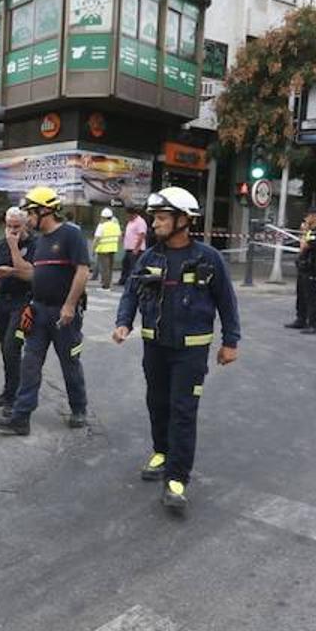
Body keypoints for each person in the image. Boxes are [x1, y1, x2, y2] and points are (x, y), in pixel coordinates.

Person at [112, 187, 240, 511]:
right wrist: (123, 321)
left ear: (183, 220)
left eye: (162, 217)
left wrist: (230, 342)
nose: (155, 223)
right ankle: (162, 452)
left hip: (190, 351)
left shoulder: (208, 258)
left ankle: (177, 478)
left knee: (183, 411)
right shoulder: (149, 257)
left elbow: (227, 301)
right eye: (155, 217)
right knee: (157, 402)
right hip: (155, 346)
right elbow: (131, 292)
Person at [0, 185, 89, 436]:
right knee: (30, 364)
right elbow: (34, 273)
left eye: (31, 212)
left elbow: (82, 271)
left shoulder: (70, 234)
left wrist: (69, 306)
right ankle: (21, 418)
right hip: (39, 311)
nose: (28, 218)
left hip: (63, 314)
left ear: (45, 210)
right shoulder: (42, 241)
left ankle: (79, 408)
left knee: (69, 362)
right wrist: (11, 270)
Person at [0, 207, 34, 408]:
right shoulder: (0, 245)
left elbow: (30, 274)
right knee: (5, 350)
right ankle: (9, 391)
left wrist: (14, 249)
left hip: (22, 302)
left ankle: (15, 396)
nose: (12, 231)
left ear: (25, 225)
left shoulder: (35, 244)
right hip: (3, 301)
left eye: (17, 226)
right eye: (9, 226)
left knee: (12, 347)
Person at [287, 208, 316, 334]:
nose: (306, 218)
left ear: (315, 217)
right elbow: (302, 246)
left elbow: (304, 246)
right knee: (301, 294)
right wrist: (305, 233)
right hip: (304, 267)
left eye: (308, 215)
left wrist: (304, 231)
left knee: (312, 297)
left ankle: (312, 324)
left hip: (314, 268)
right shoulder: (311, 231)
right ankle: (300, 320)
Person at [92, 208, 123, 290]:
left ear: (103, 217)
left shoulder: (102, 226)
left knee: (105, 269)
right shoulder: (116, 225)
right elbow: (120, 237)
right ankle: (109, 285)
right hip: (112, 249)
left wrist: (93, 249)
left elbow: (97, 239)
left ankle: (106, 286)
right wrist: (117, 246)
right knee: (109, 268)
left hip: (103, 250)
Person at [120, 205, 148, 285]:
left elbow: (141, 235)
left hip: (136, 249)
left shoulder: (140, 222)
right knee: (125, 264)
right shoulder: (130, 221)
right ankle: (123, 280)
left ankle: (132, 281)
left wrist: (136, 248)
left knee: (133, 266)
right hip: (128, 248)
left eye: (128, 215)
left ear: (133, 214)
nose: (127, 216)